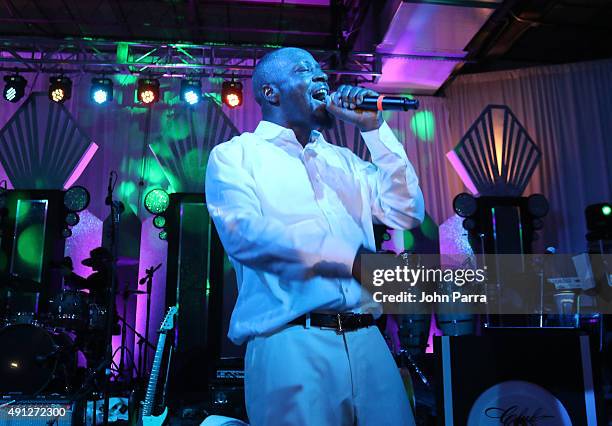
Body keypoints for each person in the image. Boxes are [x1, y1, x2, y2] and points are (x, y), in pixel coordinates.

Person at [205, 47, 424, 426]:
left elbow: (406, 211)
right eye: (305, 70)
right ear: (271, 93)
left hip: (368, 338)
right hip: (292, 341)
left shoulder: (345, 161)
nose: (322, 77)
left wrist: (375, 131)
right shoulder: (235, 156)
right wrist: (347, 259)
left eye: (322, 71)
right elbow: (247, 237)